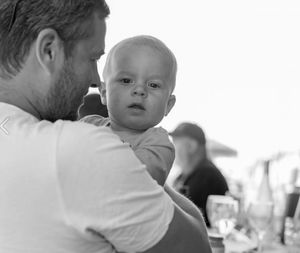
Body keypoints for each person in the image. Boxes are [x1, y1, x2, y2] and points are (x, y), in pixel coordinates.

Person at [0, 1, 211, 253]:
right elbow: (196, 246)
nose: (95, 79)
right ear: (49, 50)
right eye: (92, 58)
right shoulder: (82, 150)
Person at [82, 35, 177, 186]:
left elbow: (133, 180)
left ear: (168, 105)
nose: (140, 90)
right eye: (126, 81)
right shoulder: (87, 126)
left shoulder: (158, 144)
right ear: (104, 92)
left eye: (153, 85)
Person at [170, 122, 229, 227]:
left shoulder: (207, 176)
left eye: (175, 142)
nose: (171, 147)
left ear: (191, 146)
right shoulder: (184, 176)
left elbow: (184, 218)